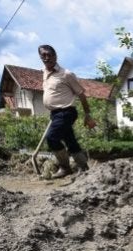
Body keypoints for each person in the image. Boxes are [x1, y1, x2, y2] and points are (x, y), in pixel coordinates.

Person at [39, 44, 95, 178]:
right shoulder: (45, 73)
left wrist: (88, 115)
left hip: (66, 112)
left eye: (49, 54)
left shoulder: (66, 74)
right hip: (56, 114)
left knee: (52, 138)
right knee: (70, 141)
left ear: (55, 56)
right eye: (43, 55)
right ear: (40, 57)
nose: (47, 57)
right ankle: (84, 167)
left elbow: (81, 94)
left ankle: (65, 168)